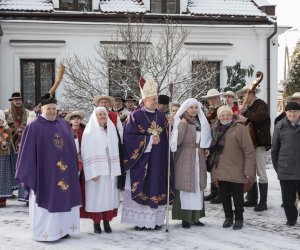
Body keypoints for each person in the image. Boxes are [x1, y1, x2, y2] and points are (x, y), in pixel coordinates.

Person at [15, 93, 82, 241]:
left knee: (64, 199)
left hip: (63, 172)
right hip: (44, 174)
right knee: (46, 203)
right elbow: (26, 152)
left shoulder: (63, 124)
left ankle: (63, 230)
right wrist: (33, 172)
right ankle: (46, 233)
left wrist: (72, 167)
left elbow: (70, 148)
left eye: (54, 108)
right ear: (42, 109)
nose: (52, 111)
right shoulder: (33, 127)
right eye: (48, 109)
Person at [121, 76, 174, 230]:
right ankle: (140, 221)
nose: (155, 102)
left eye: (156, 99)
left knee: (156, 185)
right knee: (144, 186)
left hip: (158, 160)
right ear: (144, 101)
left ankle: (155, 221)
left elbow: (167, 137)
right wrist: (149, 140)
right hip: (142, 160)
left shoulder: (161, 115)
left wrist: (170, 126)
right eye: (152, 99)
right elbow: (129, 137)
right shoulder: (135, 116)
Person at [210, 105, 255, 230]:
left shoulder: (240, 129)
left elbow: (249, 151)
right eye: (222, 115)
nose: (225, 117)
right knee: (224, 196)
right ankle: (228, 217)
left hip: (237, 168)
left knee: (238, 197)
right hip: (221, 168)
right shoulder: (214, 129)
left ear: (231, 115)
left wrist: (248, 170)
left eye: (228, 114)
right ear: (219, 117)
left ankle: (239, 218)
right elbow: (211, 151)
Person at [170, 98, 211, 229]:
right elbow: (177, 141)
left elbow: (205, 139)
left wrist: (205, 149)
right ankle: (185, 218)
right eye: (191, 108)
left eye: (195, 107)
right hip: (185, 156)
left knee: (198, 186)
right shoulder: (182, 121)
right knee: (186, 186)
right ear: (186, 109)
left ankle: (196, 217)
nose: (194, 110)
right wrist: (180, 124)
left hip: (198, 156)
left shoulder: (201, 122)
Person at [81, 107, 121, 234]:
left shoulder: (111, 130)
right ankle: (97, 222)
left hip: (110, 170)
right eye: (100, 114)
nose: (103, 116)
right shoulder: (89, 132)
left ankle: (107, 221)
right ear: (95, 116)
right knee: (97, 197)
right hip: (97, 171)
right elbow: (85, 153)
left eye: (104, 113)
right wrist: (91, 172)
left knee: (109, 197)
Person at [237, 85, 271, 211]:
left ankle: (263, 202)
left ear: (250, 93)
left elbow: (259, 117)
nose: (243, 97)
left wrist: (245, 112)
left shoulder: (261, 104)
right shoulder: (250, 107)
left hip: (260, 143)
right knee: (251, 172)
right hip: (250, 143)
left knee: (261, 172)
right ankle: (252, 199)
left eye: (244, 94)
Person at [271, 102, 300, 226]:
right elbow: (274, 150)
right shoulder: (279, 127)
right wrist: (279, 168)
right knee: (288, 199)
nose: (292, 114)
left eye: (295, 111)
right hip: (285, 169)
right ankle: (291, 218)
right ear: (286, 113)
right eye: (289, 112)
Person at [4, 92, 36, 203]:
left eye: (19, 99)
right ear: (11, 101)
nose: (18, 101)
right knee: (8, 171)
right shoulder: (5, 113)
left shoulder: (28, 113)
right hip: (9, 148)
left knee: (24, 170)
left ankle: (25, 196)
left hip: (25, 147)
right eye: (15, 99)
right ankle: (5, 194)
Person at [201, 88, 223, 204]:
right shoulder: (211, 110)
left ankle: (220, 192)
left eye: (210, 98)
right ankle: (214, 191)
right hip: (210, 140)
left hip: (218, 139)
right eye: (208, 98)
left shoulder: (221, 109)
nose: (209, 100)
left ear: (216, 98)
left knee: (217, 167)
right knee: (211, 166)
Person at [0, 110, 15, 207]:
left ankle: (2, 199)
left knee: (3, 177)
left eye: (1, 120)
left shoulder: (6, 129)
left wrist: (4, 140)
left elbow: (9, 139)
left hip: (4, 157)